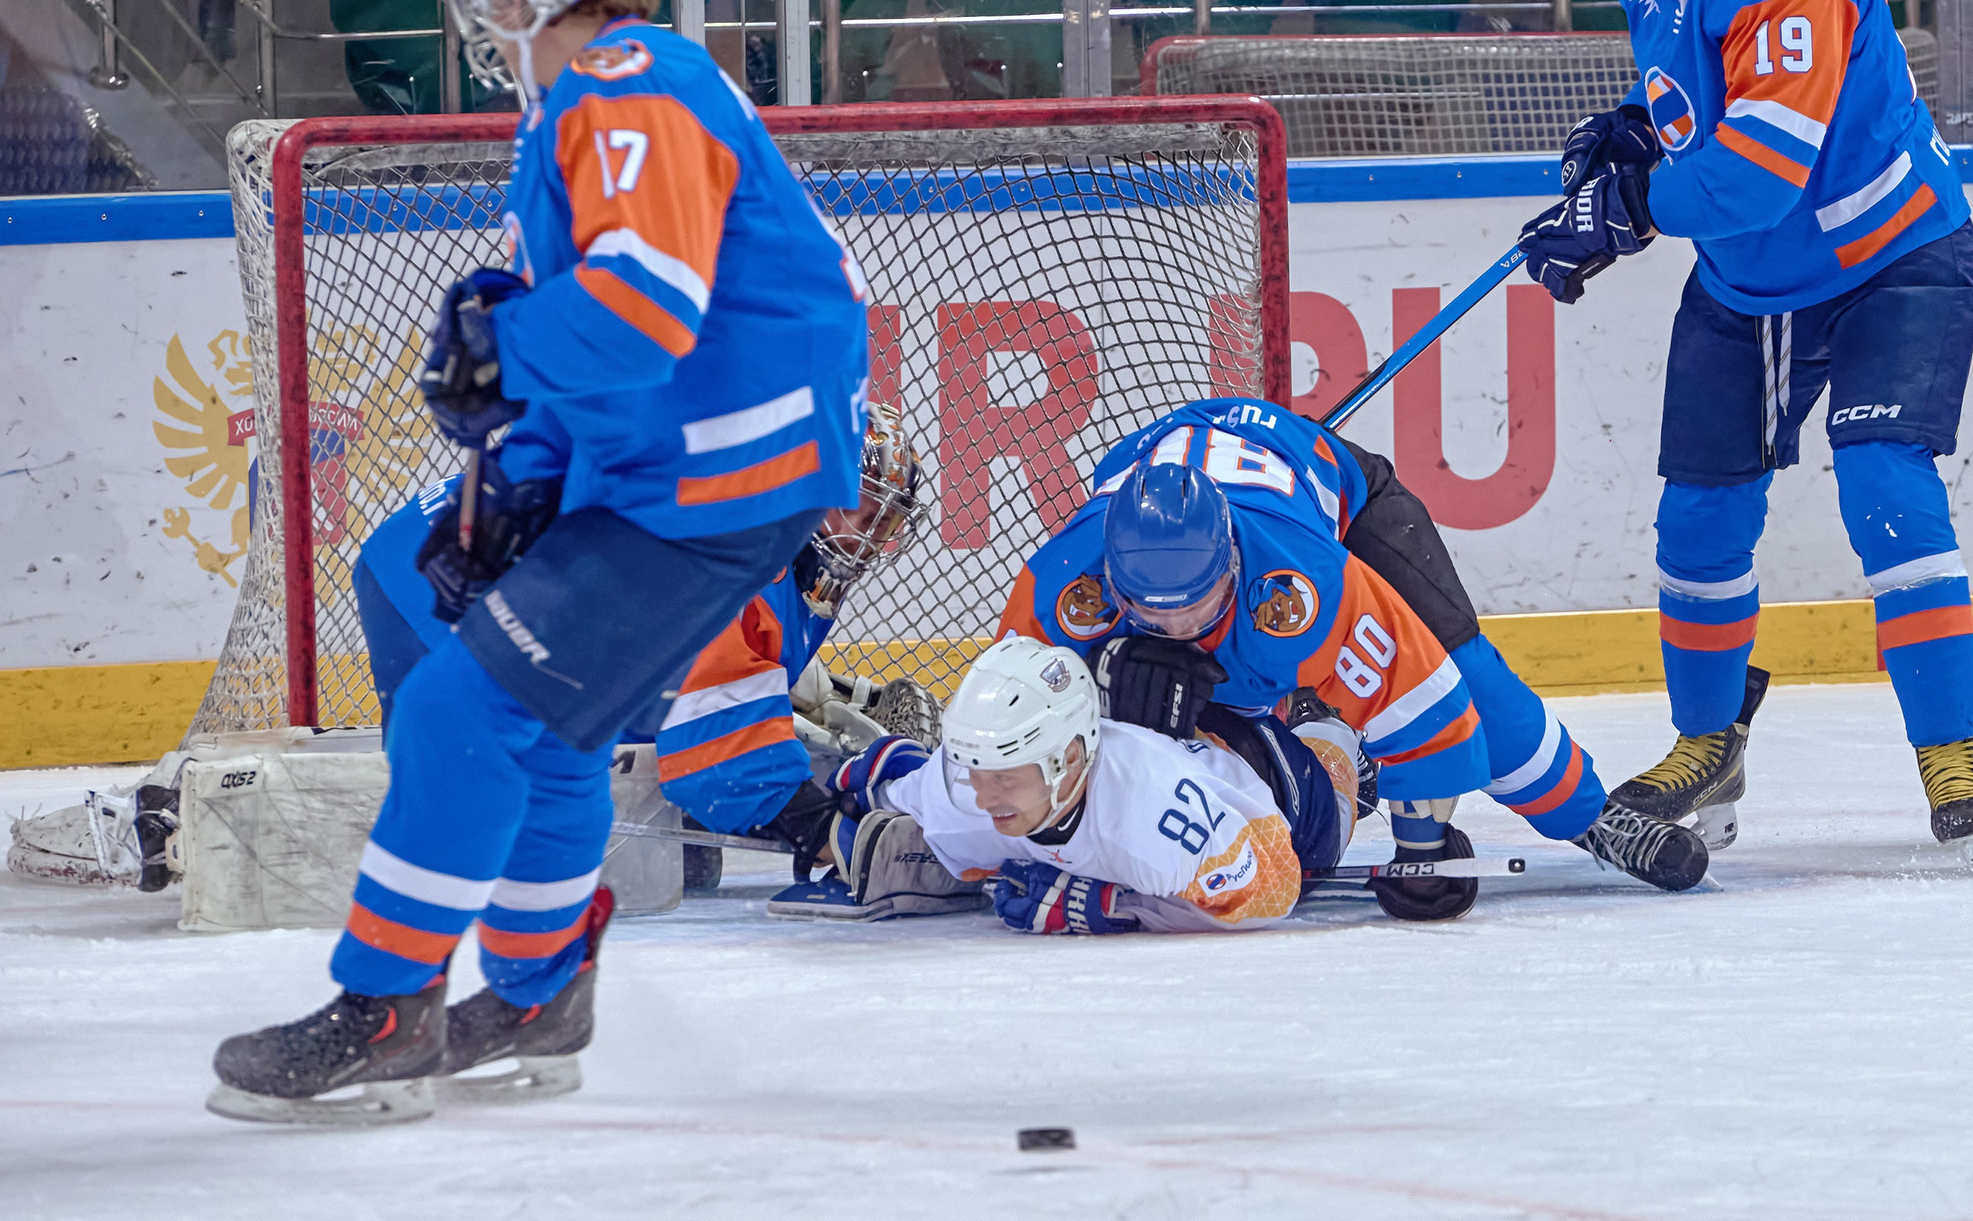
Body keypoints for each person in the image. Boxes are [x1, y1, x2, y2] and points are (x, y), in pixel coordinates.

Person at [207, 0, 873, 1125]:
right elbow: (619, 343)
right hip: (679, 468)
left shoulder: (627, 88)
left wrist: (500, 351)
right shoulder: (607, 96)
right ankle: (536, 995)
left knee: (456, 712)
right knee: (551, 729)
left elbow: (645, 306)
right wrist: (518, 471)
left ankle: (386, 1009)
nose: (482, 23)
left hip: (713, 480)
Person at [1516, 0, 1973, 861]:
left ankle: (1950, 748)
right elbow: (1698, 103)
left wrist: (1628, 209)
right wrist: (1637, 136)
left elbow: (1756, 175)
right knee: (1698, 514)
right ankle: (1707, 741)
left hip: (1894, 259)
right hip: (1751, 279)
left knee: (1884, 484)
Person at [996, 398, 1709, 915]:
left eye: (1195, 603)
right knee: (1152, 703)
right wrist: (1104, 684)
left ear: (1233, 561)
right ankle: (1327, 741)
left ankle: (1590, 817)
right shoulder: (1064, 584)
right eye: (1153, 611)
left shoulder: (1303, 580)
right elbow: (1016, 712)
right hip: (1207, 493)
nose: (1176, 625)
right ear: (1108, 578)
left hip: (1349, 503)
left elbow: (1419, 695)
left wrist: (1423, 846)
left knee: (1473, 684)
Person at [348, 406, 933, 885]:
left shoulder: (774, 525)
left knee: (673, 843)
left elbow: (727, 660)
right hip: (424, 578)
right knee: (475, 821)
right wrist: (824, 829)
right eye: (857, 510)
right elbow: (715, 740)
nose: (870, 539)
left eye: (884, 523)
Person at [810, 635, 1362, 933]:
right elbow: (893, 787)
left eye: (1004, 777)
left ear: (1069, 761)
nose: (983, 796)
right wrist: (852, 792)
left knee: (1331, 805)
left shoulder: (1153, 822)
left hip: (1273, 797)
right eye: (975, 771)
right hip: (1161, 745)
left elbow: (1273, 888)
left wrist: (1114, 905)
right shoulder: (963, 794)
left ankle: (1331, 728)